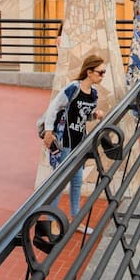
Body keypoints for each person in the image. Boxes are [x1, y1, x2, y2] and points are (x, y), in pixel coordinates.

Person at [37, 55, 107, 229]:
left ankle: (75, 219)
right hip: (65, 141)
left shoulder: (94, 94)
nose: (102, 75)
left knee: (76, 181)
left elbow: (82, 117)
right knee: (59, 182)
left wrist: (95, 115)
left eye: (104, 72)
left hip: (79, 143)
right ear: (89, 72)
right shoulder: (73, 88)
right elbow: (54, 108)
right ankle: (52, 222)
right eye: (100, 72)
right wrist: (48, 130)